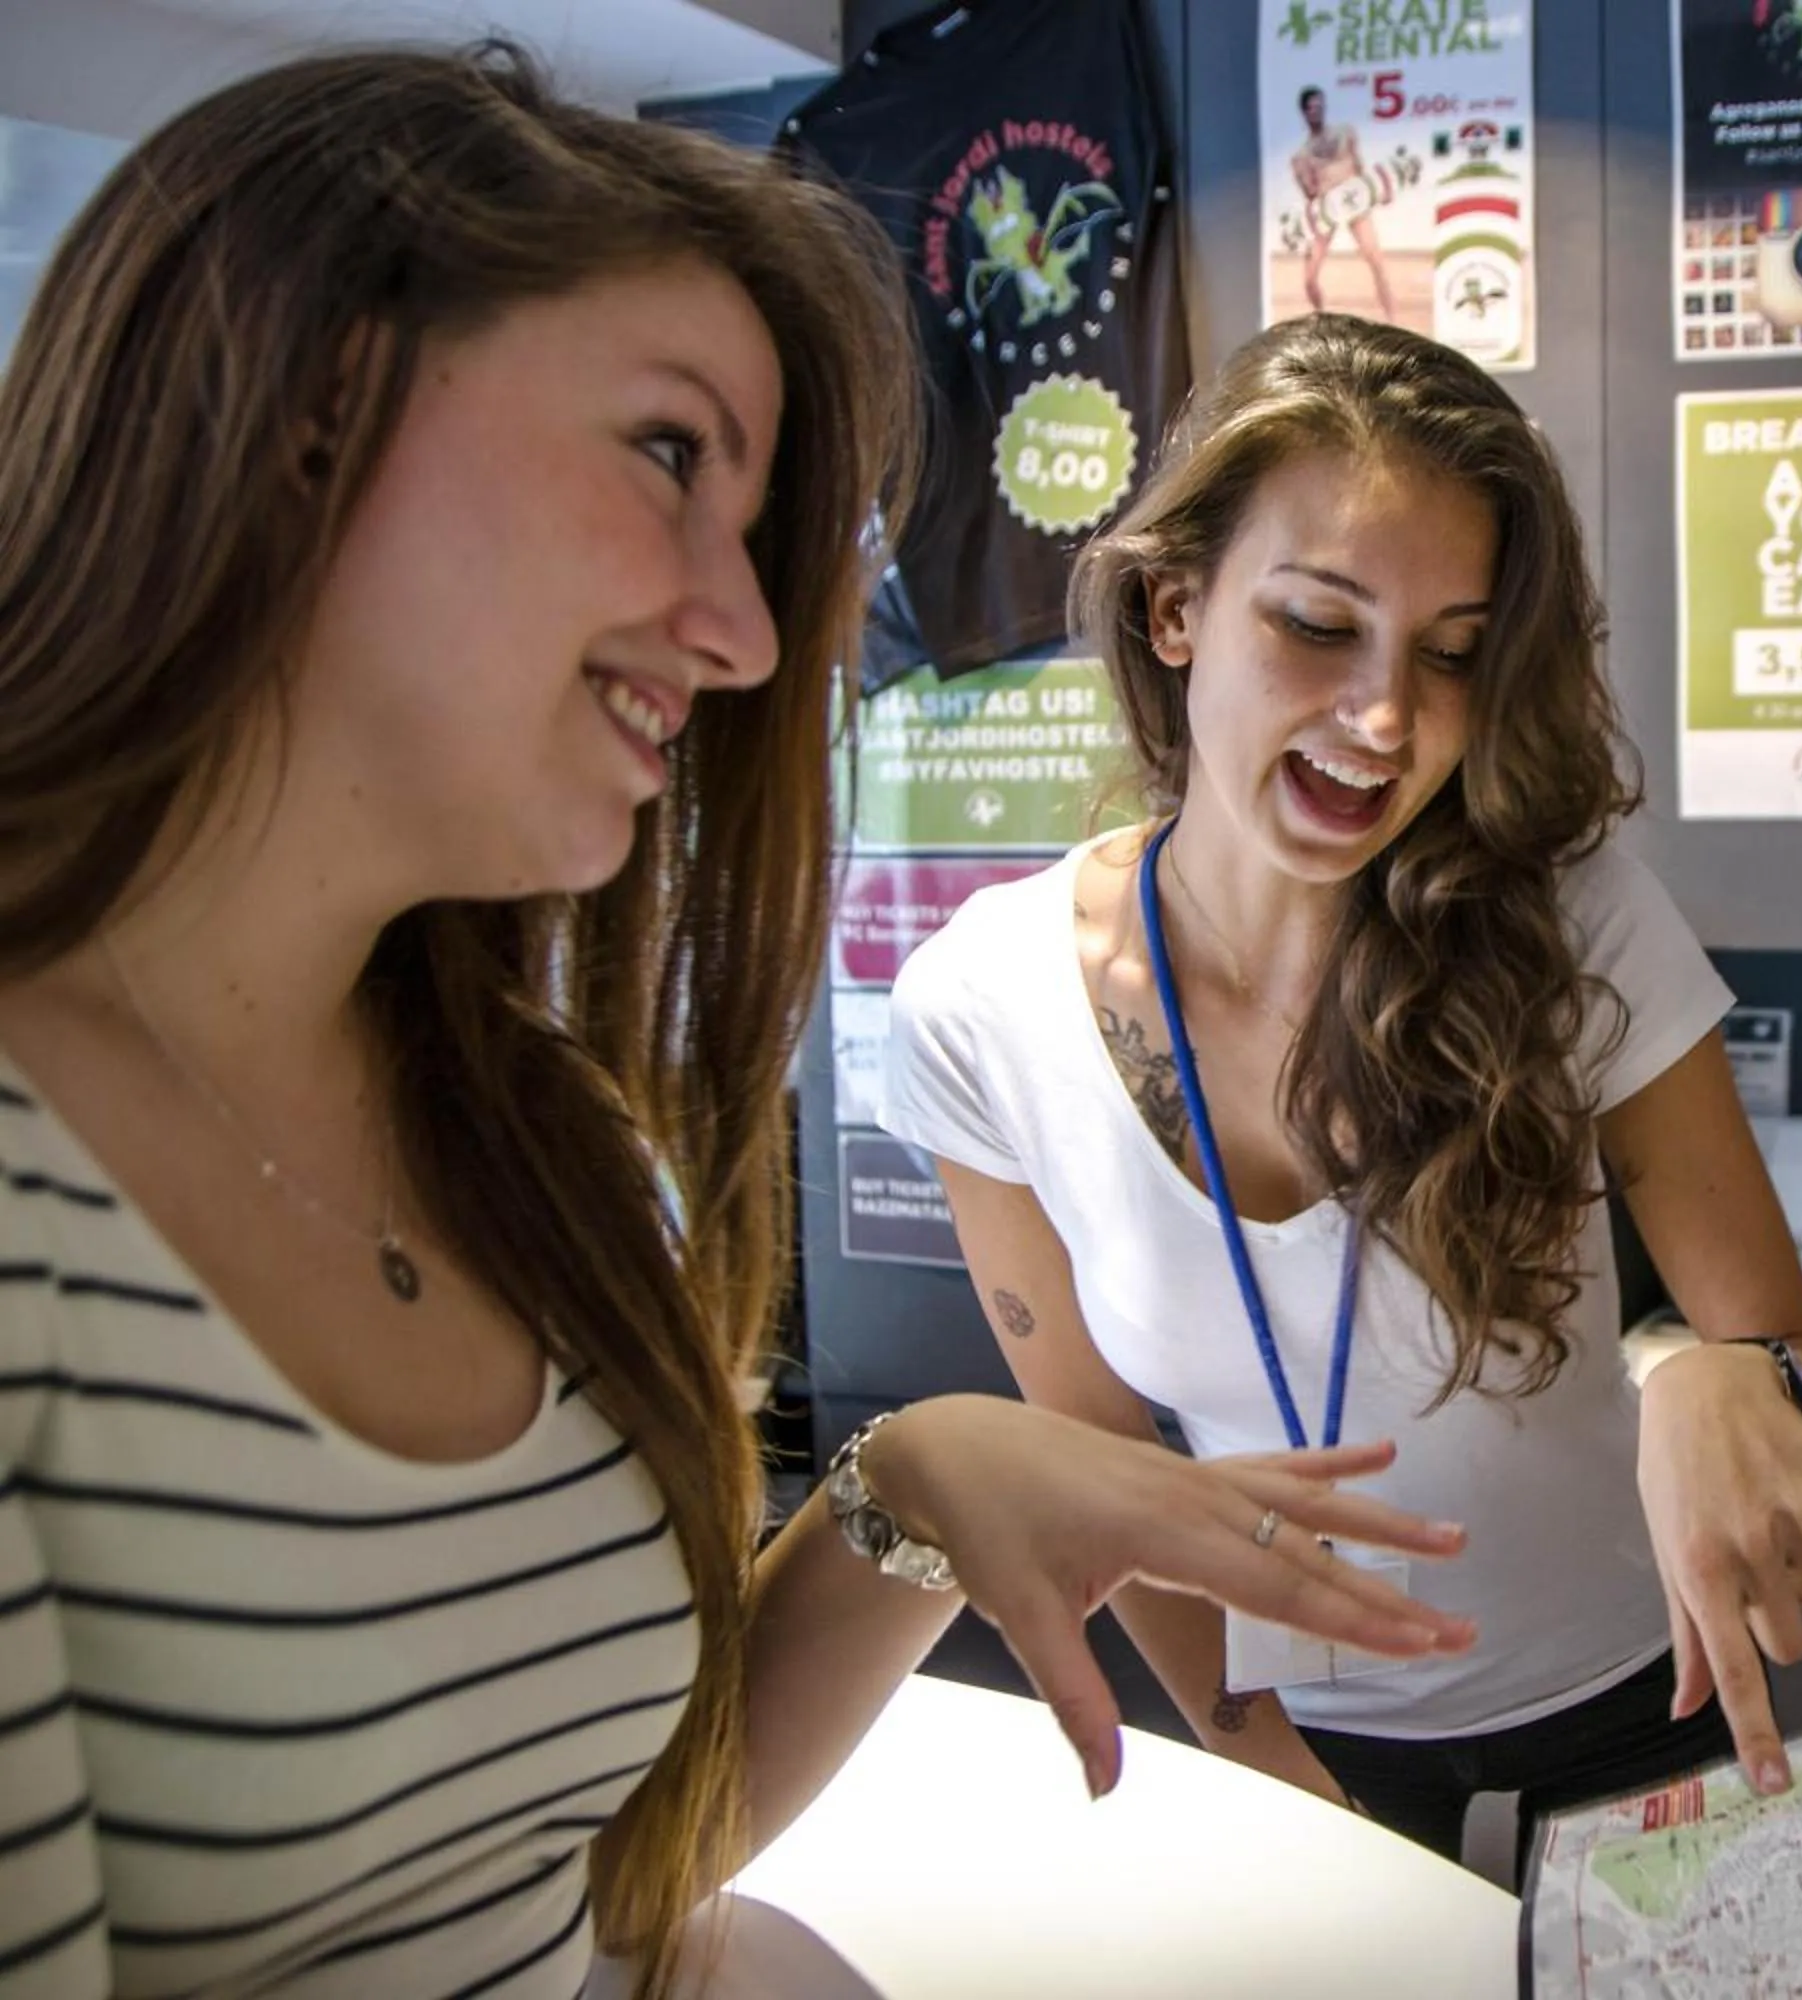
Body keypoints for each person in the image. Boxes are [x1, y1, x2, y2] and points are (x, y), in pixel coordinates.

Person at [0, 47, 1475, 2000]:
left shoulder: (533, 1136)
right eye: (671, 455)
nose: (751, 633)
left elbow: (594, 1872)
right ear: (308, 406)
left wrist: (927, 1484)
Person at [884, 313, 1802, 1866]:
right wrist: (1269, 1771)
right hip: (1281, 1740)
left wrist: (1703, 1372)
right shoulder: (980, 1008)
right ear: (1173, 609)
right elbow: (1104, 1481)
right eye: (1320, 623)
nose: (1387, 719)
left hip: (1647, 1704)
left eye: (1453, 653)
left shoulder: (1573, 922)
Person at [1288, 87, 1401, 321]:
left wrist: (1378, 193)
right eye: (1312, 108)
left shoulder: (1345, 133)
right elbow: (1310, 194)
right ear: (1304, 112)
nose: (1317, 112)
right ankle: (1320, 321)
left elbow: (1360, 170)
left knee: (1376, 261)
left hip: (1356, 204)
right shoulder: (1301, 155)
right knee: (1309, 277)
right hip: (1328, 210)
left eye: (1321, 106)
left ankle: (1393, 320)